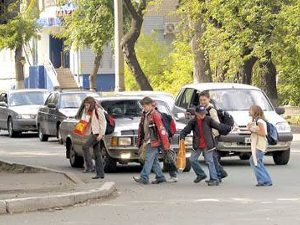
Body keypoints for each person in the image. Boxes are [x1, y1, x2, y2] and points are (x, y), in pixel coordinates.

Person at [180, 105, 231, 186]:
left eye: (204, 113)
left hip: (208, 145)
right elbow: (185, 131)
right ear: (196, 113)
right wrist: (182, 137)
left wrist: (228, 128)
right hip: (197, 145)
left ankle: (214, 179)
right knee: (192, 159)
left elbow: (219, 126)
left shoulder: (208, 120)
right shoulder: (193, 122)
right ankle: (201, 174)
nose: (203, 115)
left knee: (210, 161)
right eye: (201, 114)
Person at [134, 97, 171, 184]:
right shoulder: (146, 114)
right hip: (148, 141)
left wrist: (166, 145)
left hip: (153, 141)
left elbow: (161, 130)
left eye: (146, 106)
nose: (144, 108)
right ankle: (160, 177)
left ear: (151, 105)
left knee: (148, 159)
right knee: (154, 161)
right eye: (143, 106)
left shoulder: (155, 115)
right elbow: (142, 129)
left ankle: (144, 177)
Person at [199, 90, 228, 182]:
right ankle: (218, 174)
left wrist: (213, 136)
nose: (202, 102)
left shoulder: (211, 110)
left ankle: (218, 174)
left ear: (209, 99)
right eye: (201, 100)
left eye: (204, 100)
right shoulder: (203, 109)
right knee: (211, 156)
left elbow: (217, 124)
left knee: (211, 157)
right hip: (207, 136)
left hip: (212, 136)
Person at [81, 97, 107, 179]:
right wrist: (85, 111)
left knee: (85, 146)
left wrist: (101, 134)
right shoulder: (89, 111)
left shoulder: (98, 110)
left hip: (97, 134)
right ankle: (100, 174)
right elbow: (84, 121)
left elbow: (103, 123)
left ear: (91, 104)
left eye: (88, 105)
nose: (86, 106)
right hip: (93, 132)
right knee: (97, 154)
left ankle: (90, 167)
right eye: (85, 105)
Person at [247, 105, 272, 186]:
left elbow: (264, 133)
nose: (249, 111)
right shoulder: (256, 120)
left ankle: (264, 180)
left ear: (255, 111)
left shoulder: (260, 121)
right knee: (257, 161)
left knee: (255, 161)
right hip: (259, 144)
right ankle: (265, 180)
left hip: (260, 144)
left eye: (250, 110)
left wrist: (252, 130)